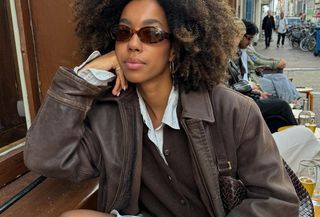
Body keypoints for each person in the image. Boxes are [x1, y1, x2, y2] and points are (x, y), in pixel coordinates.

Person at [24, 1, 299, 216]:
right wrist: (86, 74)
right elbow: (44, 157)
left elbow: (276, 201)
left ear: (175, 48)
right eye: (123, 33)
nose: (133, 43)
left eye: (150, 34)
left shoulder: (233, 110)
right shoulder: (109, 117)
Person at [228, 19, 297, 133]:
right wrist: (250, 88)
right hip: (238, 102)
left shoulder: (235, 53)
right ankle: (298, 137)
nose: (240, 40)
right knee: (282, 105)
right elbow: (229, 88)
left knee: (279, 99)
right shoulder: (226, 56)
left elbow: (238, 81)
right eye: (239, 36)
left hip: (243, 96)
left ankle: (295, 132)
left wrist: (252, 90)